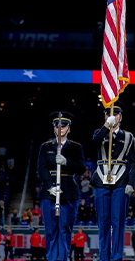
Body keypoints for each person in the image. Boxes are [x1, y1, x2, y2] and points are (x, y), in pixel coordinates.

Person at [91, 104, 135, 261]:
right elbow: (94, 143)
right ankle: (104, 257)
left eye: (117, 114)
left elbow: (134, 162)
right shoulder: (99, 132)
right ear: (105, 117)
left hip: (120, 182)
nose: (113, 117)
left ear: (121, 117)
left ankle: (117, 257)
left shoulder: (129, 137)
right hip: (101, 180)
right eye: (110, 115)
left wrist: (131, 182)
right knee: (103, 222)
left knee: (118, 222)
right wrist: (106, 126)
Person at [37, 112, 85, 261]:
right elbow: (41, 168)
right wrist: (50, 186)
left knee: (65, 229)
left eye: (63, 126)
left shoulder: (76, 147)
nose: (60, 129)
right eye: (57, 126)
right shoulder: (45, 147)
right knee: (51, 230)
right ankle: (52, 259)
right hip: (49, 193)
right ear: (53, 128)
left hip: (68, 192)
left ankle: (63, 258)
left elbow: (81, 169)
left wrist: (66, 162)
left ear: (68, 129)